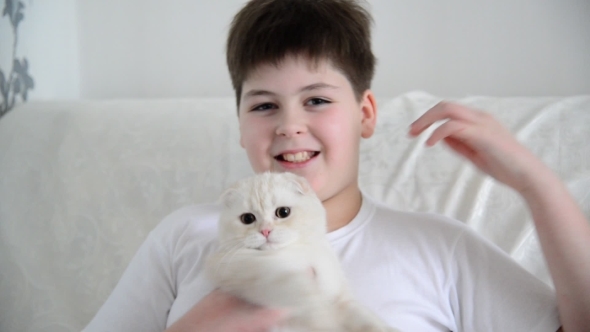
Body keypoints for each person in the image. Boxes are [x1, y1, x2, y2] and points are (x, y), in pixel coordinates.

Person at [83, 0, 590, 331]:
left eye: (317, 100)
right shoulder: (184, 236)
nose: (289, 125)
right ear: (240, 126)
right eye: (263, 106)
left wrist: (537, 185)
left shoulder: (440, 248)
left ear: (365, 114)